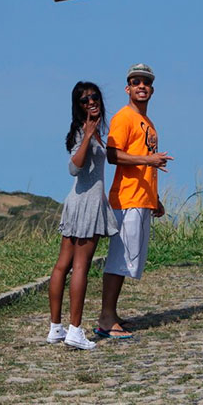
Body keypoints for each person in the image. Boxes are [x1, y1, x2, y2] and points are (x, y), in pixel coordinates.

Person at [95, 63, 174, 339]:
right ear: (127, 88)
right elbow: (114, 155)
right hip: (126, 198)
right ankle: (105, 318)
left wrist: (155, 198)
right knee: (119, 259)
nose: (142, 86)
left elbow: (146, 165)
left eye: (146, 83)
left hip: (142, 198)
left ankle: (112, 313)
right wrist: (148, 159)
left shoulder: (148, 123)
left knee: (129, 259)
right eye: (136, 82)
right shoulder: (123, 118)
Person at [47, 81, 119, 350]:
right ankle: (75, 331)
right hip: (87, 204)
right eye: (84, 99)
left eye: (94, 96)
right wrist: (88, 135)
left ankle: (56, 328)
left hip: (78, 202)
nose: (91, 101)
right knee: (79, 267)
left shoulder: (93, 130)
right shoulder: (84, 131)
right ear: (78, 106)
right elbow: (74, 168)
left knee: (62, 265)